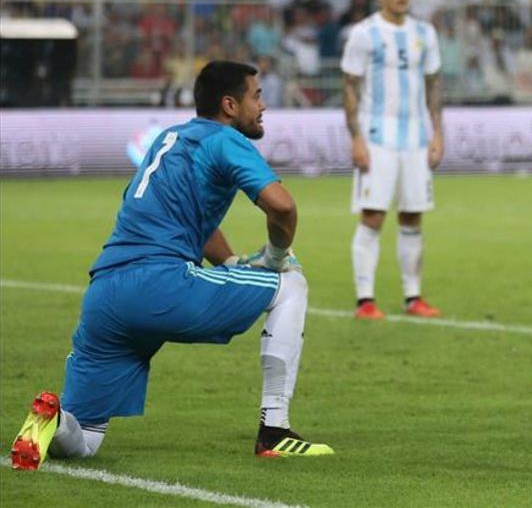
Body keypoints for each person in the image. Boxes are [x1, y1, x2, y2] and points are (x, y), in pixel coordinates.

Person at [9, 61, 333, 470]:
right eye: (257, 95)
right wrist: (275, 257)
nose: (263, 105)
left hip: (105, 294)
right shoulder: (225, 140)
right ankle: (276, 431)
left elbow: (183, 218)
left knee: (85, 437)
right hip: (159, 283)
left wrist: (230, 262)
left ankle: (51, 421)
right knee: (291, 285)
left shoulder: (168, 138)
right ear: (230, 105)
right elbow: (283, 207)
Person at [342, 0, 444, 320]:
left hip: (415, 138)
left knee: (413, 216)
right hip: (377, 137)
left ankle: (413, 297)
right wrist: (356, 138)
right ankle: (364, 299)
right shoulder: (364, 33)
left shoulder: (424, 33)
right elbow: (350, 87)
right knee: (373, 215)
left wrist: (437, 133)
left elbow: (433, 85)